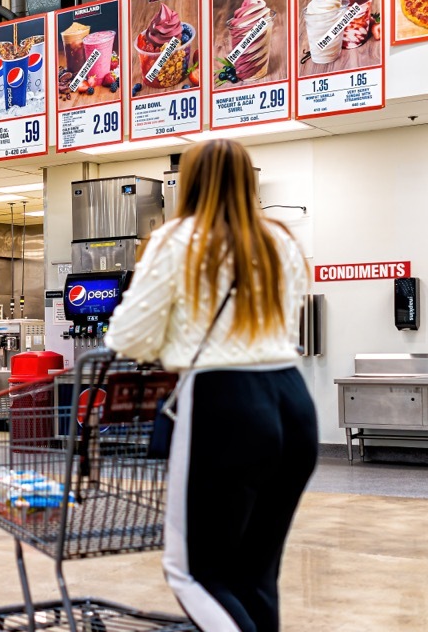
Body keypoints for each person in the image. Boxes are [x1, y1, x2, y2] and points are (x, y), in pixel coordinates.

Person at [103, 139, 316, 632]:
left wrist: (170, 338)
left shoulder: (178, 239)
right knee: (255, 575)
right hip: (293, 400)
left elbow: (130, 337)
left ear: (191, 181)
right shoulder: (280, 239)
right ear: (249, 180)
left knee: (192, 572)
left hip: (224, 404)